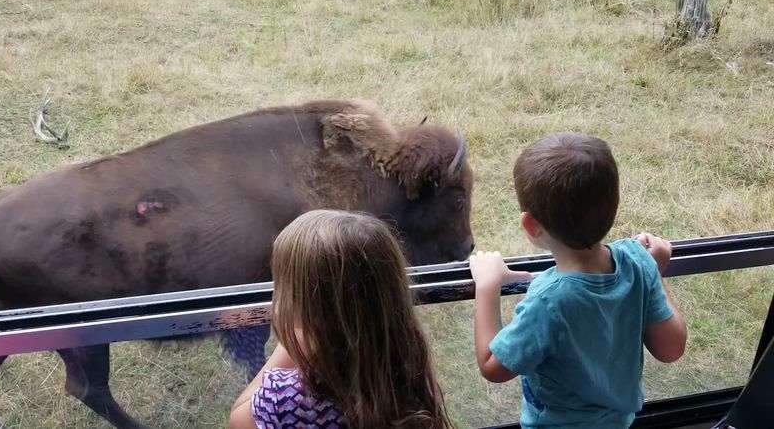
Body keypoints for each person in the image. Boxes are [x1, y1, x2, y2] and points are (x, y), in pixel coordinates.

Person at [469, 132, 687, 428]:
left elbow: (492, 366)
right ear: (614, 205)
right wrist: (651, 270)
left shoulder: (548, 301)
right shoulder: (637, 261)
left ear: (530, 225)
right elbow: (671, 349)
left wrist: (487, 285)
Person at [229, 210, 454, 429]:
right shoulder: (411, 376)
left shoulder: (284, 399)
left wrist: (294, 343)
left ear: (308, 312)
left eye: (282, 286)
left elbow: (238, 420)